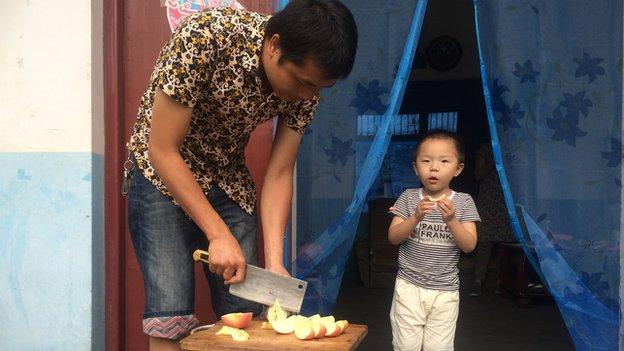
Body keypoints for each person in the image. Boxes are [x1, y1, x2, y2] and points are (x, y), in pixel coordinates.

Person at [124, 1, 358, 349]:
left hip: (228, 180)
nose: (308, 96)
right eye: (303, 82)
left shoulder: (306, 88)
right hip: (161, 175)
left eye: (319, 89)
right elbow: (162, 150)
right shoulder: (204, 37)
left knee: (246, 309)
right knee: (169, 314)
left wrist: (276, 263)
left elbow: (279, 173)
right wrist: (217, 233)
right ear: (274, 46)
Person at [387, 130, 480, 350]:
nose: (434, 167)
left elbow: (469, 245)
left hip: (445, 292)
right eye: (426, 161)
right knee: (405, 346)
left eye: (444, 161)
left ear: (458, 169)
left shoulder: (464, 202)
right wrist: (416, 217)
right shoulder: (409, 198)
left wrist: (452, 220)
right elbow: (393, 237)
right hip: (409, 288)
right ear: (415, 168)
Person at [469, 142, 516, 297]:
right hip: (488, 200)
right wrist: (493, 159)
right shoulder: (486, 148)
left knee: (505, 243)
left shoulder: (513, 147)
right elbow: (478, 174)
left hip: (505, 201)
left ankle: (501, 283)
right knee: (484, 241)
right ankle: (478, 281)